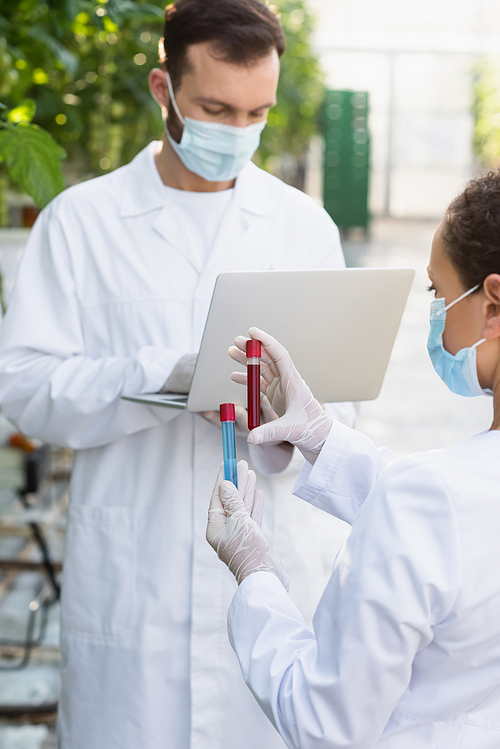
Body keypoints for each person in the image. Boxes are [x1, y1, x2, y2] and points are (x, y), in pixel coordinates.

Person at [0, 1, 355, 747]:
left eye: (256, 111)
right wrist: (166, 376)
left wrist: (286, 414)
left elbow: (342, 417)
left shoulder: (302, 227)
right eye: (216, 109)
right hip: (136, 581)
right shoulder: (82, 222)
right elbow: (25, 390)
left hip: (268, 572)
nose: (238, 132)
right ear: (164, 89)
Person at [207, 171, 500, 748]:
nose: (437, 314)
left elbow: (324, 726)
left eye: (439, 294)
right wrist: (320, 435)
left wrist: (256, 578)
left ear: (493, 303)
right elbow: (459, 522)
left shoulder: (429, 497)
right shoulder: (444, 496)